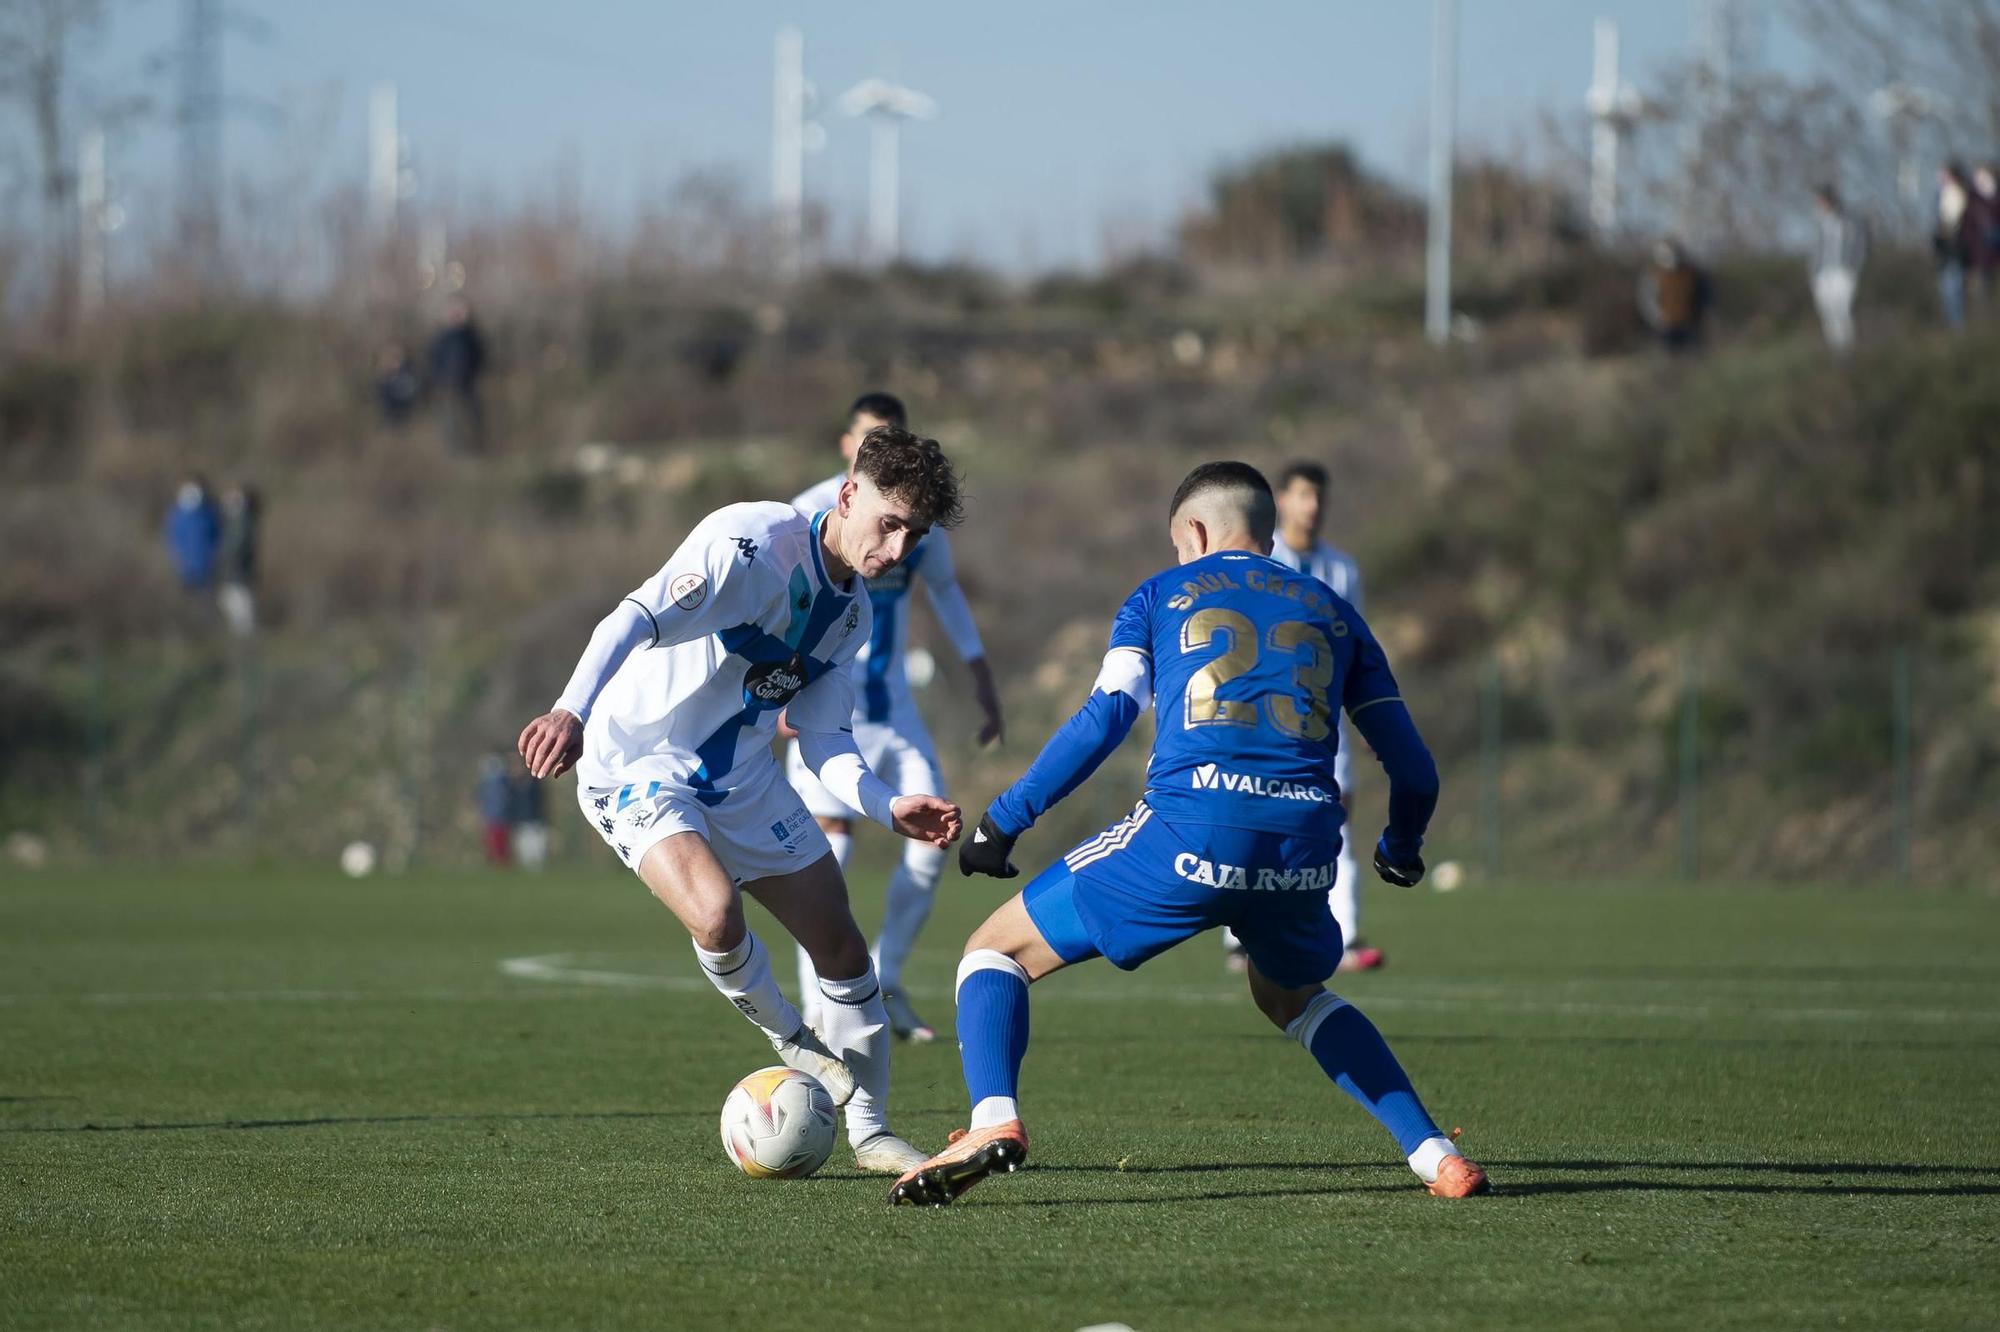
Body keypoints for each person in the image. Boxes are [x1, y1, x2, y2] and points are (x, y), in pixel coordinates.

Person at [889, 462, 1486, 1207]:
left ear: (1195, 532)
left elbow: (1104, 720)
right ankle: (1434, 1156)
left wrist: (1002, 822)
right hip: (1303, 848)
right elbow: (1417, 771)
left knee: (993, 952)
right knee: (1292, 995)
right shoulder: (1337, 610)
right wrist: (1401, 847)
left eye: (1178, 545)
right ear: (1266, 530)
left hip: (1189, 833)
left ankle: (994, 1121)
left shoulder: (1158, 595)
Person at [516, 426, 965, 1175]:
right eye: (888, 523)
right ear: (848, 493)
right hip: (637, 762)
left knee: (845, 949)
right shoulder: (749, 543)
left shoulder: (852, 616)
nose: (895, 550)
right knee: (717, 914)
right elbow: (630, 616)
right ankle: (791, 1038)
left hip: (744, 779)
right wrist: (572, 710)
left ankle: (873, 1133)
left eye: (912, 535)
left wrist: (888, 806)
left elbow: (825, 742)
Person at [783, 392, 1005, 1043]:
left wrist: (982, 675)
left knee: (934, 845)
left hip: (895, 714)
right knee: (825, 858)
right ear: (847, 445)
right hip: (825, 707)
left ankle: (887, 980)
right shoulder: (810, 510)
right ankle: (822, 1011)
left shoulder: (914, 522)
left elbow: (947, 594)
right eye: (867, 437)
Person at [1236, 459, 1381, 972]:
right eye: (1302, 495)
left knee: (1333, 823)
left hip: (1326, 721)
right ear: (1281, 500)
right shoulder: (1261, 561)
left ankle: (1344, 933)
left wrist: (1367, 714)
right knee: (1254, 817)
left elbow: (1360, 647)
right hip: (1266, 719)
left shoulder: (1343, 569)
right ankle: (1241, 936)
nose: (1312, 507)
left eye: (1319, 496)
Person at [1808, 186, 1867, 354]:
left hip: (1843, 271)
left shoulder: (1850, 220)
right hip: (1823, 274)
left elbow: (1860, 245)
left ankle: (1847, 349)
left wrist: (1854, 267)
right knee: (1827, 312)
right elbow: (1814, 250)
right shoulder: (1819, 222)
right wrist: (1814, 274)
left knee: (1843, 310)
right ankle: (1834, 350)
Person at [427, 299, 487, 453]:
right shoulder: (441, 338)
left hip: (469, 384)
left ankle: (477, 447)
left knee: (473, 417)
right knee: (449, 419)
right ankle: (453, 450)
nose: (457, 316)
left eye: (460, 312)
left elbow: (481, 358)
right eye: (454, 313)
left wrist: (474, 375)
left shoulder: (472, 336)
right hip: (446, 385)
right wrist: (439, 379)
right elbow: (433, 360)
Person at [1636, 237, 1709, 352]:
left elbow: (1702, 297)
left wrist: (1697, 316)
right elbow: (1648, 300)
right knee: (1671, 358)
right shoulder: (1653, 275)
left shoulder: (1691, 273)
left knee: (1691, 358)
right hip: (1666, 326)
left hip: (1688, 324)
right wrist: (1657, 318)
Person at [216, 483, 260, 637]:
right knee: (229, 602)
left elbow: (238, 546)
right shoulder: (225, 518)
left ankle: (244, 637)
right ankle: (237, 635)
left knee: (241, 604)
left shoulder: (244, 520)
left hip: (239, 570)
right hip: (228, 571)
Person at [163, 475, 219, 593]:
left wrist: (212, 558)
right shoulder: (176, 515)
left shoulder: (209, 513)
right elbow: (172, 539)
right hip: (183, 570)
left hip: (208, 570)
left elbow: (216, 537)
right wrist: (179, 559)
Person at [1935, 162, 1972, 331]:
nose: (1940, 177)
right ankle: (1954, 327)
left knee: (1952, 290)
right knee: (1948, 290)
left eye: (1944, 173)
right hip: (1949, 251)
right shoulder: (1943, 195)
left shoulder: (1956, 194)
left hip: (1955, 251)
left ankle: (1958, 328)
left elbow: (1952, 224)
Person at [477, 754, 514, 864]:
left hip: (502, 817)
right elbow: (482, 800)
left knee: (502, 845)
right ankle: (496, 864)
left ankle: (502, 864)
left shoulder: (504, 781)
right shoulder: (486, 783)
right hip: (492, 817)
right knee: (493, 845)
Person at [509, 770, 549, 871]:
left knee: (536, 848)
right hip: (521, 820)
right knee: (525, 848)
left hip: (534, 819)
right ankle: (529, 869)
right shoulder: (513, 786)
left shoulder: (534, 784)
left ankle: (538, 868)